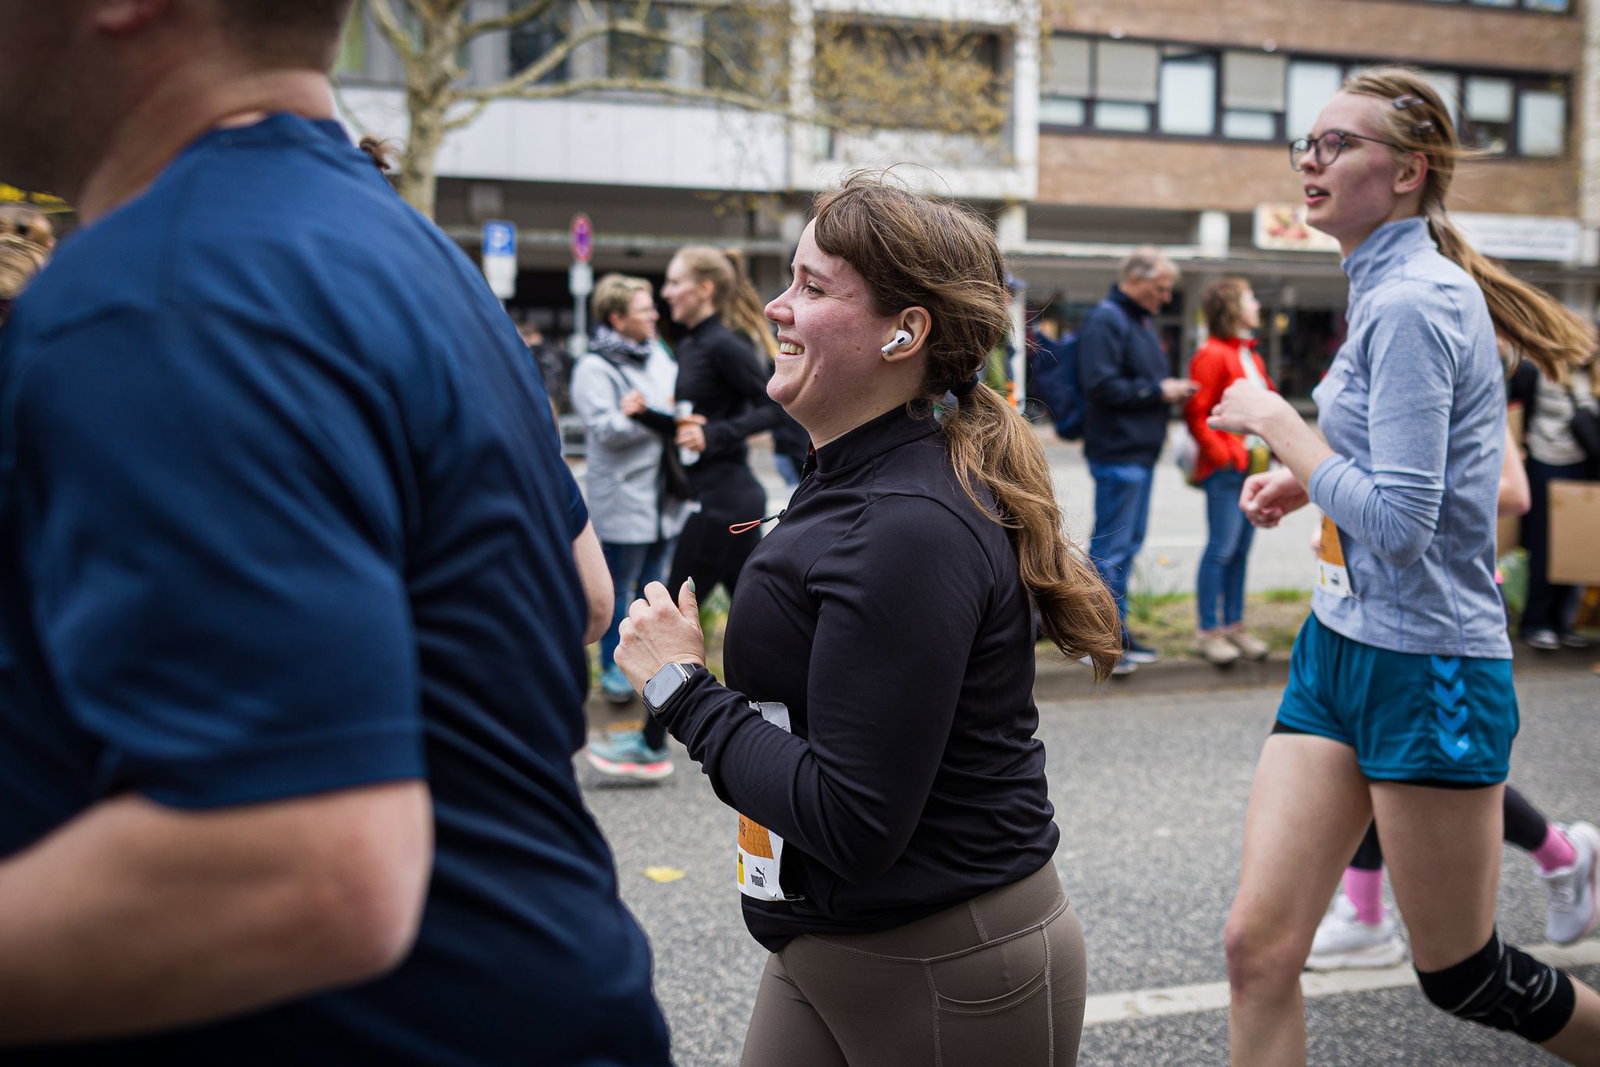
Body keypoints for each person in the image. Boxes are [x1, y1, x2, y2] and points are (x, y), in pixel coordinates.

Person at [0, 2, 667, 1061]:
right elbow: (583, 594)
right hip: (550, 994)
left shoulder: (159, 294)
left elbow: (309, 870)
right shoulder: (418, 259)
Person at [615, 173, 1123, 1066]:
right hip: (831, 939)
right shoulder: (857, 475)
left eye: (812, 287)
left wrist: (679, 687)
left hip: (945, 960)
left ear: (905, 330)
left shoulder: (907, 525)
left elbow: (851, 815)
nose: (776, 305)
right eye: (790, 278)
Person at [1209, 66, 1600, 1064]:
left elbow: (1401, 524)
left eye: (1337, 144)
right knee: (1256, 949)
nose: (1311, 159)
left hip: (1428, 665)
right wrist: (1301, 480)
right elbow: (1387, 470)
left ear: (1407, 171)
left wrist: (1281, 428)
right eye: (1307, 142)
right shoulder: (1381, 284)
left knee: (1462, 973)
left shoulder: (1417, 302)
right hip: (1336, 647)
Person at [573, 273, 694, 772]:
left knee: (653, 581)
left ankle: (648, 659)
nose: (653, 316)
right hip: (622, 495)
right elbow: (604, 428)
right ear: (617, 317)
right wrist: (652, 419)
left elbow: (679, 408)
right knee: (616, 583)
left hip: (662, 491)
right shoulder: (593, 366)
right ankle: (616, 672)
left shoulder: (660, 355)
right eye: (643, 309)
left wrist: (653, 413)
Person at [1077, 246, 1198, 672]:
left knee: (1123, 546)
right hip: (1119, 449)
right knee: (1112, 548)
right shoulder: (1109, 319)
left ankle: (1116, 634)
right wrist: (1158, 391)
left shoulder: (1132, 319)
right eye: (1161, 288)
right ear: (1137, 280)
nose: (1166, 298)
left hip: (1134, 451)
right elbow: (1100, 384)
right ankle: (1104, 642)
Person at [1183, 278, 1277, 666]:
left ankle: (1234, 627)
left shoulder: (1249, 355)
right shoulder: (1213, 353)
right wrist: (1223, 454)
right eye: (1251, 297)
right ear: (1233, 308)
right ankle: (1208, 632)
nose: (1258, 304)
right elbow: (1196, 412)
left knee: (1240, 550)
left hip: (1253, 466)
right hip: (1229, 468)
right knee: (1222, 549)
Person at [1510, 350, 1599, 651]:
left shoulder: (1589, 374)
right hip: (1545, 463)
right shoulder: (1534, 371)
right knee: (1543, 545)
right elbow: (1514, 408)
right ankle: (1536, 622)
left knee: (1574, 545)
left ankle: (1563, 622)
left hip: (1584, 464)